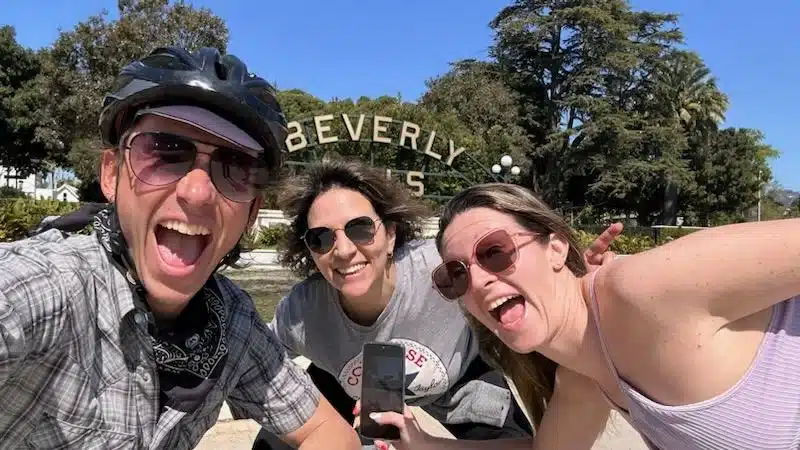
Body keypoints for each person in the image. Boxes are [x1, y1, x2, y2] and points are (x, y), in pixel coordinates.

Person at [0, 46, 362, 449]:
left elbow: (329, 433)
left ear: (253, 211)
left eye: (235, 167)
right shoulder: (45, 290)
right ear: (111, 175)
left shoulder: (232, 323)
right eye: (164, 152)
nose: (198, 192)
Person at [367, 182, 800, 450]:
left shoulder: (640, 291)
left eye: (494, 252)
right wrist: (424, 444)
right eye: (456, 275)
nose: (477, 282)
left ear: (556, 248)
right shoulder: (582, 375)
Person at [251, 162, 622, 449]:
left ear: (391, 233)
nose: (344, 250)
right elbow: (250, 369)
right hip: (343, 379)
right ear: (310, 251)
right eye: (321, 238)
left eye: (361, 228)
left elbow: (516, 278)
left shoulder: (443, 268)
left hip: (457, 373)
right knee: (275, 440)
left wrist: (577, 285)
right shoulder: (301, 313)